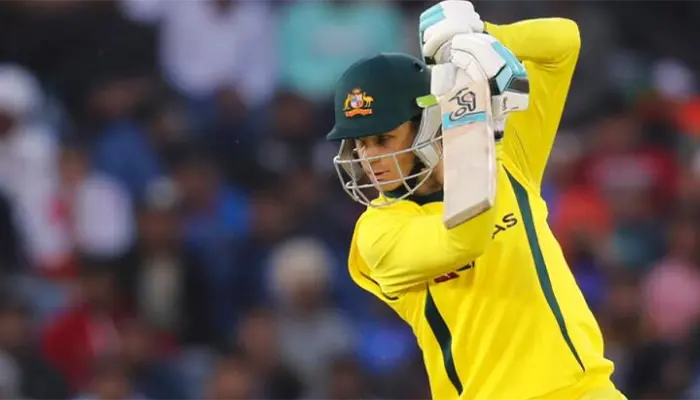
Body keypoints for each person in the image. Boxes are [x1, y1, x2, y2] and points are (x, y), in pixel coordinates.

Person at [325, 1, 626, 399]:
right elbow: (465, 238)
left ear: (426, 125)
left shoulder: (506, 158)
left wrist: (480, 39)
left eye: (383, 138)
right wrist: (476, 125)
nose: (369, 159)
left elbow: (564, 43)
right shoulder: (378, 233)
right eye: (359, 144)